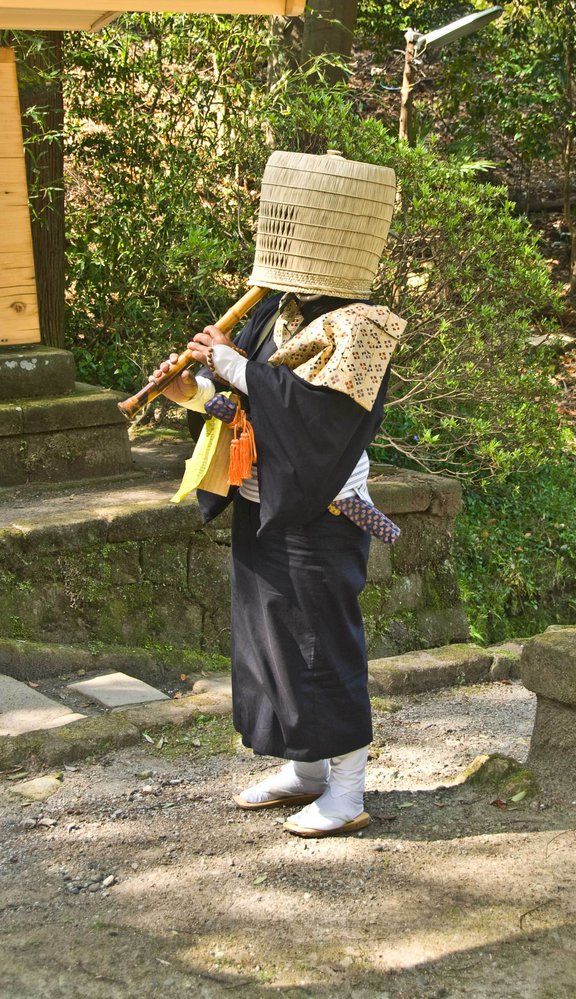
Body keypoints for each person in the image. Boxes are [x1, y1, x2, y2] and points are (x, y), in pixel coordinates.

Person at [153, 150, 404, 837]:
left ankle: (348, 789)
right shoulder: (279, 311)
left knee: (320, 644)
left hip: (321, 510)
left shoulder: (359, 326)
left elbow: (314, 422)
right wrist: (193, 389)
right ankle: (307, 767)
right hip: (264, 498)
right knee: (269, 644)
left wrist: (231, 363)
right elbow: (246, 405)